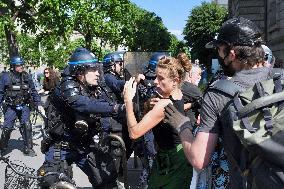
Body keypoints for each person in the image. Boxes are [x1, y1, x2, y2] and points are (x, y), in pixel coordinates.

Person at [164, 17, 283, 189]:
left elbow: (199, 159)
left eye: (220, 50)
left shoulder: (218, 94)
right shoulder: (282, 78)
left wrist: (182, 125)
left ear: (232, 54)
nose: (219, 55)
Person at [39, 48, 125, 189]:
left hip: (84, 144)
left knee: (107, 180)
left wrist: (129, 108)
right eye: (93, 69)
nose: (98, 73)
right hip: (60, 146)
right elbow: (82, 104)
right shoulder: (66, 86)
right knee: (53, 183)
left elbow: (104, 103)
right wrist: (116, 108)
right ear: (79, 72)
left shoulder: (92, 86)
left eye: (98, 68)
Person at [123, 55, 192, 189]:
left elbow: (134, 133)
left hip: (172, 160)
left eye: (161, 78)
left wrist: (128, 101)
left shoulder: (164, 104)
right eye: (156, 76)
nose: (155, 81)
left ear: (175, 81)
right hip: (177, 157)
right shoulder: (177, 95)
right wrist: (148, 106)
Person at [0, 55, 41, 156]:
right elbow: (0, 92)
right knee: (7, 128)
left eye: (22, 65)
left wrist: (38, 103)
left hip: (23, 106)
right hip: (11, 107)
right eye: (19, 65)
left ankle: (28, 148)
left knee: (27, 126)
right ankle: (2, 148)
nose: (21, 67)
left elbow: (33, 91)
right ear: (13, 66)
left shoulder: (27, 76)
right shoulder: (5, 76)